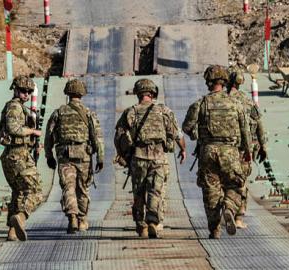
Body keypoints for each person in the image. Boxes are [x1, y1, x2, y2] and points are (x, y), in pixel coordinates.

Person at [182, 65, 251, 239]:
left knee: (211, 191)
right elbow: (245, 131)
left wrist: (199, 136)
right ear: (225, 81)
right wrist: (247, 151)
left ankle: (214, 229)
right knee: (236, 184)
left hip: (208, 152)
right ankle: (229, 207)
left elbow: (187, 127)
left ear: (208, 82)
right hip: (230, 152)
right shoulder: (235, 104)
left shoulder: (200, 104)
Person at [114, 78, 186, 239]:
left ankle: (142, 226)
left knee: (138, 192)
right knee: (156, 190)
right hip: (159, 157)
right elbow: (177, 134)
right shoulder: (164, 111)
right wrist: (183, 149)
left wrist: (122, 154)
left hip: (138, 157)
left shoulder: (131, 112)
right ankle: (153, 220)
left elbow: (118, 135)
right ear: (153, 93)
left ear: (138, 93)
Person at [44, 79, 104, 234]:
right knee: (83, 189)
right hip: (84, 155)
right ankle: (82, 219)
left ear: (67, 93)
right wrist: (100, 158)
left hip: (64, 156)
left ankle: (72, 216)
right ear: (82, 94)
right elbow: (97, 137)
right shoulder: (89, 113)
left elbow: (49, 136)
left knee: (68, 187)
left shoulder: (58, 113)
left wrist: (49, 156)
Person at [0, 75, 43, 241]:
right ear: (15, 89)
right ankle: (21, 218)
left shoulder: (11, 108)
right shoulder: (15, 107)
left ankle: (12, 232)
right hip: (18, 155)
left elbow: (1, 131)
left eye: (29, 92)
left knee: (19, 193)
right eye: (23, 91)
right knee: (36, 191)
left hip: (11, 155)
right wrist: (32, 132)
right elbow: (13, 128)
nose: (26, 95)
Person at [228, 70, 268, 229]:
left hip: (226, 148)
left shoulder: (225, 101)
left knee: (224, 181)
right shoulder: (249, 102)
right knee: (241, 182)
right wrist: (263, 147)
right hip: (245, 150)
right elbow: (259, 126)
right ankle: (239, 216)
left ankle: (226, 208)